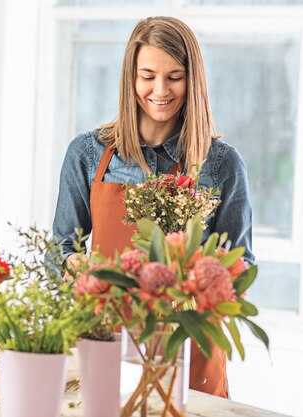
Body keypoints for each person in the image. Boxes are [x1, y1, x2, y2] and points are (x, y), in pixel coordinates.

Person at [52, 16, 253, 399]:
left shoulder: (221, 164)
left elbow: (242, 269)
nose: (160, 89)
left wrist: (197, 286)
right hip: (102, 345)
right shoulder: (88, 153)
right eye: (148, 76)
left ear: (192, 79)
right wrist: (72, 266)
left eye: (174, 76)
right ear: (131, 78)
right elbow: (59, 248)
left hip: (190, 354)